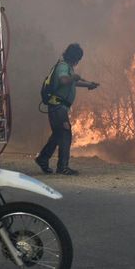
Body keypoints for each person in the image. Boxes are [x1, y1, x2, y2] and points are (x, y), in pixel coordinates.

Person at [35, 43, 99, 176]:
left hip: (60, 106)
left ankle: (43, 158)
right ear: (74, 57)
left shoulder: (67, 67)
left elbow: (72, 82)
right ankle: (62, 167)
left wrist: (89, 85)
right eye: (78, 58)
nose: (78, 61)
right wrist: (73, 77)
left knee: (58, 134)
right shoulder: (63, 66)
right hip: (57, 106)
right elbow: (64, 80)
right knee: (65, 134)